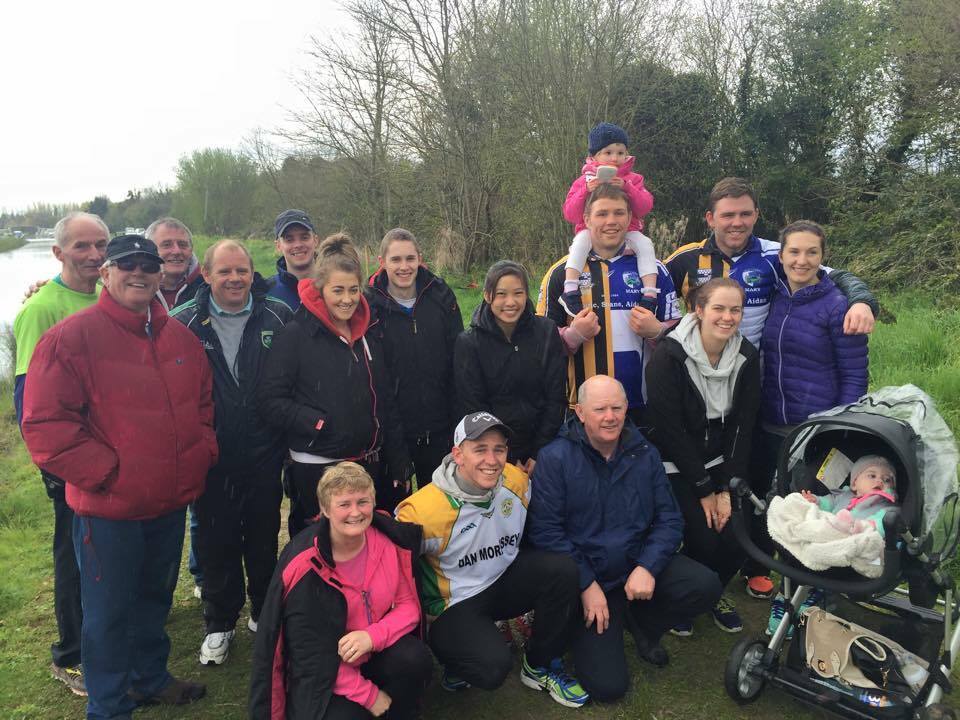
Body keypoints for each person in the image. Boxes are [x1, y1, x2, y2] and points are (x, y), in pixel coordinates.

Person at [22, 234, 217, 718]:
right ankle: (108, 706)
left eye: (148, 264)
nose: (139, 272)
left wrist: (199, 454)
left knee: (154, 600)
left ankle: (149, 678)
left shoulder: (180, 338)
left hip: (169, 505)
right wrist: (109, 474)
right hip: (108, 511)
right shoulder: (71, 338)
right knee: (107, 616)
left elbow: (204, 407)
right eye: (126, 263)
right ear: (105, 274)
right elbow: (45, 425)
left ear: (160, 274)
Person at [665, 178, 878, 599]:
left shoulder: (772, 258)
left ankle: (765, 568)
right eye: (728, 214)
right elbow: (663, 303)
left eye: (745, 213)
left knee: (782, 486)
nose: (737, 222)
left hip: (754, 391)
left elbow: (835, 275)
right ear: (710, 218)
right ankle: (709, 556)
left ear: (756, 215)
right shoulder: (685, 259)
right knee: (739, 475)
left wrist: (862, 300)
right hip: (708, 390)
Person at [528, 375, 722, 702]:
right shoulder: (555, 458)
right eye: (600, 409)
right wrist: (586, 584)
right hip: (588, 582)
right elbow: (546, 532)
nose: (610, 417)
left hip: (634, 570)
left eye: (617, 407)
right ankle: (587, 626)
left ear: (626, 408)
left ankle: (639, 622)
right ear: (580, 413)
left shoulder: (644, 453)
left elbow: (669, 519)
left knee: (705, 586)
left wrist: (647, 566)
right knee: (608, 688)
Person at [395, 412, 589, 708]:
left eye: (499, 449)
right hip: (455, 604)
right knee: (492, 668)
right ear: (458, 454)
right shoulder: (421, 511)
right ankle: (454, 659)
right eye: (480, 449)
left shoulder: (516, 481)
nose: (492, 459)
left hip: (501, 581)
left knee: (562, 570)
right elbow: (395, 574)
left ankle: (537, 666)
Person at [171, 240, 293, 666]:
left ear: (251, 272)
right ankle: (219, 624)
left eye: (241, 270)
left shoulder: (277, 314)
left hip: (264, 450)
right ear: (206, 275)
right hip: (210, 455)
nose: (235, 278)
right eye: (224, 271)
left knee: (262, 537)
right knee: (214, 542)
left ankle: (262, 613)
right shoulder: (183, 323)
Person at [249, 462, 432, 720]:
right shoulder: (305, 567)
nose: (355, 513)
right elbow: (309, 656)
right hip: (325, 673)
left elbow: (408, 606)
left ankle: (400, 712)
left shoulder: (387, 544)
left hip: (371, 651)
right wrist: (370, 696)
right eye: (344, 504)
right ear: (324, 509)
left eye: (363, 502)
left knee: (415, 658)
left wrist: (372, 636)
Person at [12, 211, 108, 696]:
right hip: (71, 463)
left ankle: (106, 639)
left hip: (112, 457)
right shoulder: (42, 308)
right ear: (58, 253)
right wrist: (56, 466)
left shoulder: (110, 298)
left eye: (100, 245)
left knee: (104, 553)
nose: (94, 255)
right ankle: (70, 656)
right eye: (82, 246)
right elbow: (28, 400)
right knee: (75, 554)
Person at [258, 234, 410, 536]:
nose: (347, 299)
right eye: (337, 290)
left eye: (354, 290)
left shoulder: (367, 334)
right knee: (322, 553)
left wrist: (399, 458)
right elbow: (270, 400)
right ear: (320, 290)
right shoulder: (295, 335)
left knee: (366, 546)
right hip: (317, 467)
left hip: (368, 464)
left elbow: (384, 401)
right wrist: (318, 423)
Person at [761, 220, 869, 636]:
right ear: (781, 255)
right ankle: (783, 591)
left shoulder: (839, 305)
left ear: (823, 258)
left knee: (815, 511)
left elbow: (855, 376)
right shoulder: (773, 295)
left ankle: (813, 594)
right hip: (772, 422)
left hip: (820, 430)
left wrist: (840, 428)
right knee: (779, 506)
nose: (801, 260)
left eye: (811, 253)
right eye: (794, 252)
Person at [643, 278, 761, 636]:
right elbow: (669, 429)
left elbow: (743, 427)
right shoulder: (669, 354)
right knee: (705, 532)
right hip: (674, 462)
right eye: (719, 309)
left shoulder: (747, 356)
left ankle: (713, 593)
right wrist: (705, 489)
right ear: (698, 310)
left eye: (735, 310)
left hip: (720, 463)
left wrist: (727, 487)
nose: (727, 318)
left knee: (743, 530)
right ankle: (685, 597)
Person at [538, 184, 682, 421]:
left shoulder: (654, 271)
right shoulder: (561, 273)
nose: (611, 221)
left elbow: (681, 338)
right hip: (581, 410)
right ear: (587, 219)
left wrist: (657, 332)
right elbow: (540, 342)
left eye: (619, 213)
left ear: (629, 218)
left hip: (642, 405)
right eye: (602, 214)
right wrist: (573, 335)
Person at [367, 228, 463, 487]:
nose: (404, 267)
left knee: (442, 515)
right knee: (399, 518)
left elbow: (458, 361)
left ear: (420, 258)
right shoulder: (369, 305)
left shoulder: (441, 295)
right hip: (393, 434)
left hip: (440, 429)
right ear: (381, 262)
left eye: (410, 259)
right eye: (395, 260)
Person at [455, 261, 566, 472]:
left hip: (543, 446)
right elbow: (474, 407)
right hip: (496, 452)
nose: (511, 302)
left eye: (518, 293)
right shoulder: (470, 343)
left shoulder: (546, 332)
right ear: (488, 296)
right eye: (501, 294)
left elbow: (555, 396)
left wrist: (538, 452)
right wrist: (508, 456)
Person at [560, 122, 657, 315]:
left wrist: (627, 187)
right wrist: (585, 190)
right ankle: (570, 290)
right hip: (591, 233)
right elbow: (570, 214)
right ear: (593, 156)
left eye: (621, 152)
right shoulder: (583, 181)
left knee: (646, 244)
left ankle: (650, 294)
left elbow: (645, 207)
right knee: (579, 243)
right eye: (608, 152)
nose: (615, 158)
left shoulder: (634, 179)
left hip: (629, 231)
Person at [800, 455, 897, 537]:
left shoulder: (887, 506)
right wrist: (816, 501)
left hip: (858, 539)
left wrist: (866, 526)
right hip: (830, 532)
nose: (879, 481)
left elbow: (884, 523)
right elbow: (830, 502)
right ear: (855, 483)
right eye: (872, 476)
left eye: (887, 480)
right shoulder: (845, 495)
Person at [145, 217, 204, 311]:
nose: (177, 251)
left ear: (191, 250)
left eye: (182, 244)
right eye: (167, 245)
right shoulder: (135, 288)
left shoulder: (207, 289)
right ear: (149, 250)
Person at [266, 209, 320, 311]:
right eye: (289, 240)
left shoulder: (337, 285)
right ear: (278, 246)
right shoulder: (266, 293)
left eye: (304, 237)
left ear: (315, 240)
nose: (298, 245)